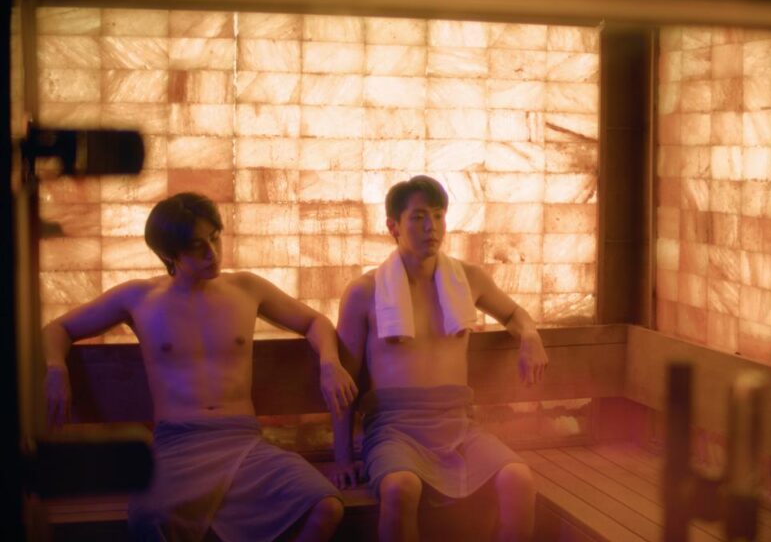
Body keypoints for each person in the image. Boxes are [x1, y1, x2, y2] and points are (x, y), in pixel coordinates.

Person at [42, 192, 356, 542]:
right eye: (197, 246)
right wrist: (56, 369)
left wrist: (329, 363)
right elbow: (57, 329)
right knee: (149, 520)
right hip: (177, 446)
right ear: (168, 254)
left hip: (242, 443)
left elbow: (315, 322)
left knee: (326, 505)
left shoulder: (246, 288)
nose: (212, 252)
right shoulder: (139, 298)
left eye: (215, 237)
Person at [334, 175, 549, 542]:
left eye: (438, 215)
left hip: (458, 424)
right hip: (394, 428)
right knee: (400, 487)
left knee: (519, 479)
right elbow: (346, 381)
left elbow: (514, 314)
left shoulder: (468, 279)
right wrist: (342, 456)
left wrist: (530, 336)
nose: (431, 227)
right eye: (418, 217)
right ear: (393, 226)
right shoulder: (363, 292)